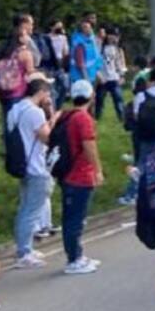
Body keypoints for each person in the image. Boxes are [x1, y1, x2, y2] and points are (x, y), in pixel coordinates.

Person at [9, 75, 57, 269]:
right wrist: (52, 116)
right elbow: (48, 137)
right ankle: (24, 252)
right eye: (47, 91)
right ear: (41, 92)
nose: (49, 95)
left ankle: (24, 246)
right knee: (31, 211)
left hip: (21, 163)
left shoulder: (15, 109)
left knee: (25, 208)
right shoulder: (35, 112)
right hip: (36, 165)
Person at [58, 80, 104, 274]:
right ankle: (74, 258)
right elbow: (89, 146)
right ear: (91, 96)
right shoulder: (83, 119)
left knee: (73, 217)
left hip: (66, 172)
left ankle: (76, 253)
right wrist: (98, 169)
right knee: (76, 219)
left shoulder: (66, 115)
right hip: (80, 174)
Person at [95, 30, 127, 122]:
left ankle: (122, 117)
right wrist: (99, 75)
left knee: (118, 98)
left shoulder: (117, 49)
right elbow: (96, 63)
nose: (113, 38)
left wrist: (122, 75)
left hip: (114, 77)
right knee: (100, 99)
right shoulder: (100, 47)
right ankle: (97, 117)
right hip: (103, 77)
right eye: (111, 35)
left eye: (115, 36)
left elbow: (120, 64)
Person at [69, 19, 102, 86]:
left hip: (91, 75)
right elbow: (80, 64)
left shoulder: (91, 41)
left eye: (90, 27)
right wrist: (86, 79)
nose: (89, 29)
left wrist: (98, 72)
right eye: (85, 27)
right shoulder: (79, 43)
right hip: (81, 77)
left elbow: (96, 58)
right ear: (81, 30)